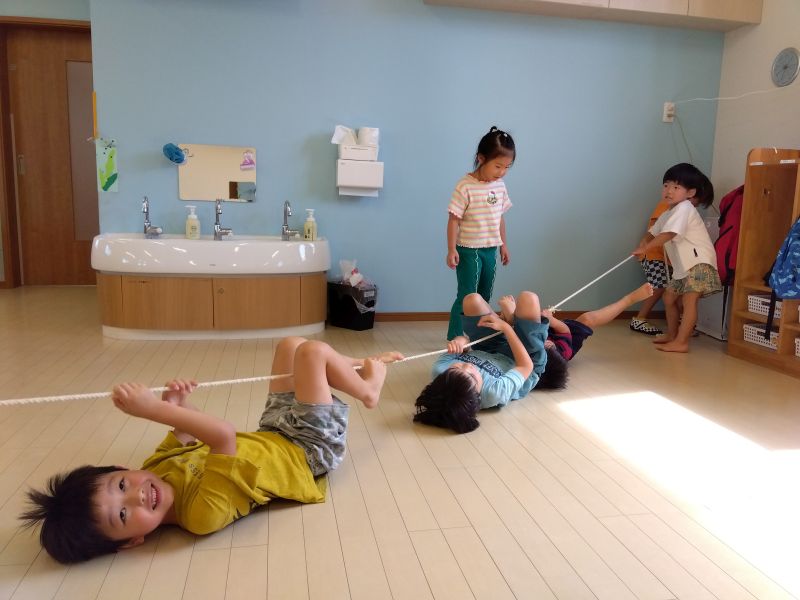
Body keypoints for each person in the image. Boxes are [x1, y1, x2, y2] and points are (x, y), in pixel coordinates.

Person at [20, 337, 403, 564]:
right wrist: (152, 410)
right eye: (123, 515)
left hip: (272, 432)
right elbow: (221, 436)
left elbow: (189, 431)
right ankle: (369, 390)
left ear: (121, 467)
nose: (137, 496)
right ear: (132, 541)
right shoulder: (199, 516)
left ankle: (354, 368)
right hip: (307, 452)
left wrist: (177, 405)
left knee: (290, 346)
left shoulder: (156, 467)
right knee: (311, 354)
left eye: (121, 485)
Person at [414, 290, 560, 434]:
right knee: (529, 298)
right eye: (472, 376)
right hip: (523, 358)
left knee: (471, 300)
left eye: (457, 368)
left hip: (488, 348)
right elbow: (526, 366)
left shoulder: (440, 371)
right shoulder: (492, 393)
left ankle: (508, 320)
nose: (468, 366)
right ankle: (510, 320)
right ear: (478, 396)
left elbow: (465, 342)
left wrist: (460, 341)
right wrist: (506, 328)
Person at [632, 163, 721, 353]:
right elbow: (653, 232)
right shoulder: (668, 212)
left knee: (689, 301)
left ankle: (681, 342)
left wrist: (647, 247)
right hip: (683, 267)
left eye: (676, 187)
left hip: (698, 262)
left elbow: (669, 234)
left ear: (690, 193)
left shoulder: (685, 208)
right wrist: (644, 243)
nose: (669, 190)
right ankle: (673, 335)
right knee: (669, 298)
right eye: (666, 185)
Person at [446, 126, 515, 340]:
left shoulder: (500, 186)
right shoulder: (465, 186)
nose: (502, 172)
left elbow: (499, 217)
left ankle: (477, 337)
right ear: (481, 158)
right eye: (497, 166)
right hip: (468, 250)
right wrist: (451, 249)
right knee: (467, 295)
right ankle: (455, 336)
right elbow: (454, 219)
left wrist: (503, 244)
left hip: (490, 248)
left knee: (484, 296)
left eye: (507, 167)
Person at [537, 283, 656, 388]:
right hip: (564, 337)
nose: (545, 344)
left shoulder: (535, 352)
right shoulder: (563, 350)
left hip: (544, 335)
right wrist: (551, 320)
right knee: (587, 319)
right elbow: (564, 331)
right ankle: (629, 300)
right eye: (547, 347)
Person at [630, 185, 671, 335]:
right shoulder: (666, 206)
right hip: (654, 255)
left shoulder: (676, 208)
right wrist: (645, 246)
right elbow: (655, 230)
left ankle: (678, 320)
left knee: (666, 287)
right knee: (658, 286)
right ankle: (639, 318)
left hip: (663, 256)